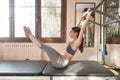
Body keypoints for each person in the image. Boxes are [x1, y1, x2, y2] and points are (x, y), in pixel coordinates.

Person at [23, 10, 93, 68]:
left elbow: (82, 29)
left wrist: (89, 16)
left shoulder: (77, 42)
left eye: (71, 31)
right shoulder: (74, 39)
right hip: (61, 57)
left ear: (76, 34)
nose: (69, 32)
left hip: (62, 63)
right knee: (46, 46)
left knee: (47, 48)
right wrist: (83, 16)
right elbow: (77, 27)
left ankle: (29, 35)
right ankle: (30, 35)